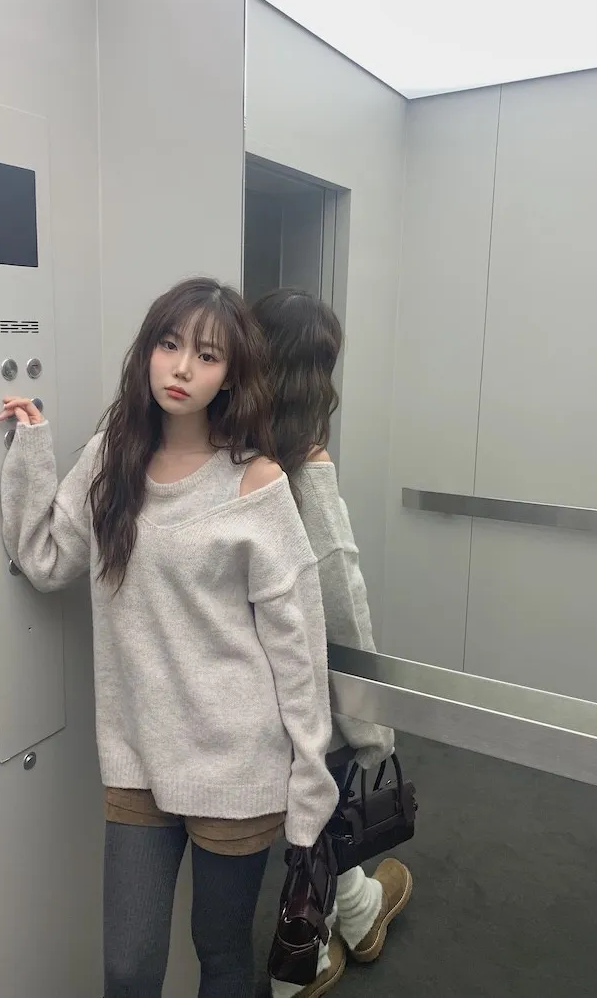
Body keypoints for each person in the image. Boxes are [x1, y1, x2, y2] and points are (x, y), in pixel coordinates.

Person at [0, 278, 338, 998]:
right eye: (169, 344)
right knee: (127, 968)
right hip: (138, 757)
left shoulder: (257, 483)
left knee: (221, 956)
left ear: (231, 376)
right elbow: (46, 558)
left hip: (237, 767)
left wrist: (311, 785)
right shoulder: (110, 457)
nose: (182, 368)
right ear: (147, 351)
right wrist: (31, 445)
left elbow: (299, 651)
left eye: (207, 356)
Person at [253, 290, 413, 997]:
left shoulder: (219, 447)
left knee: (307, 821)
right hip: (301, 693)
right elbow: (340, 596)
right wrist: (375, 722)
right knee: (315, 811)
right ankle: (303, 966)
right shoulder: (303, 464)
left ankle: (359, 910)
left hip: (235, 686)